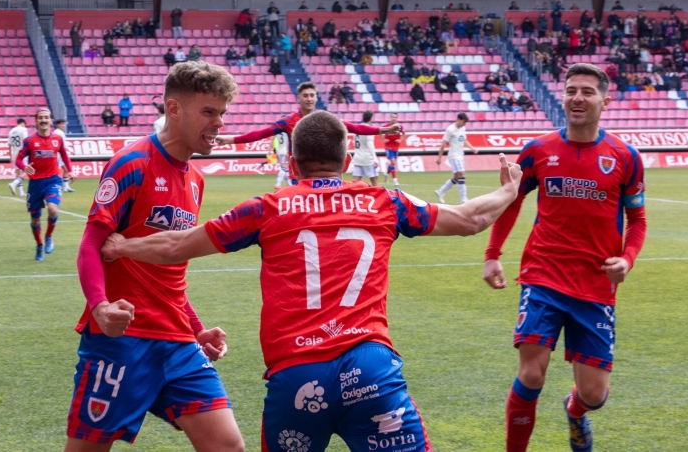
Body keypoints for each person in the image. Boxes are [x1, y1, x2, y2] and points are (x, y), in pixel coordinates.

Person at [100, 110, 523, 452]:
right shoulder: (383, 201)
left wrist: (121, 247)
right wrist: (509, 191)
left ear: (290, 163)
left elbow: (176, 247)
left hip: (297, 376)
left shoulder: (267, 207)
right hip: (371, 371)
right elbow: (471, 219)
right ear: (345, 162)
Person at [65, 61, 245, 452]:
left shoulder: (195, 179)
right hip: (121, 339)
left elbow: (169, 267)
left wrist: (196, 328)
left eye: (223, 113)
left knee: (227, 445)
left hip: (178, 340)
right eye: (209, 112)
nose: (219, 123)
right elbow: (89, 247)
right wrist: (100, 308)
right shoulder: (132, 163)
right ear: (174, 109)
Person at [482, 63, 647, 452]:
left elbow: (637, 218)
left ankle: (575, 411)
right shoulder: (538, 150)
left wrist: (627, 259)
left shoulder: (626, 157)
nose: (577, 98)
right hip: (543, 276)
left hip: (595, 285)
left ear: (604, 101)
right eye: (571, 90)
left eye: (587, 92)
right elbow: (511, 202)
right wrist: (492, 254)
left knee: (594, 395)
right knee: (531, 374)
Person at [215, 82, 402, 191]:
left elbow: (353, 127)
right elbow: (261, 133)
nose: (310, 98)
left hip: (322, 173)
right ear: (299, 98)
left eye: (312, 95)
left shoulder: (324, 119)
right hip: (297, 173)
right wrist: (231, 140)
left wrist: (383, 130)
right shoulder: (288, 121)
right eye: (306, 95)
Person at [15, 108, 75, 260]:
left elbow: (64, 154)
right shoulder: (29, 141)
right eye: (40, 117)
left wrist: (70, 170)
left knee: (53, 209)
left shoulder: (57, 139)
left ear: (50, 120)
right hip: (35, 184)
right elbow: (18, 160)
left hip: (53, 180)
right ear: (36, 121)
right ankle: (40, 245)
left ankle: (49, 236)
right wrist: (24, 167)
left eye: (46, 117)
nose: (43, 120)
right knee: (35, 219)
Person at [434, 112, 478, 204]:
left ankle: (440, 192)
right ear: (459, 119)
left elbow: (464, 140)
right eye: (464, 122)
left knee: (457, 177)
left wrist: (472, 148)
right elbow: (443, 144)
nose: (464, 124)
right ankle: (463, 199)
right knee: (462, 174)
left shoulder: (463, 128)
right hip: (454, 156)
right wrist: (439, 158)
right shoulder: (450, 130)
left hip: (460, 155)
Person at [351, 110, 380, 185]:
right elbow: (370, 143)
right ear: (371, 118)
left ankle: (351, 195)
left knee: (354, 182)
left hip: (357, 158)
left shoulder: (357, 128)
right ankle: (376, 196)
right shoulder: (369, 129)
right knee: (375, 181)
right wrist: (375, 158)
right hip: (367, 158)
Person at [382, 112, 406, 185]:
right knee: (393, 162)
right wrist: (384, 139)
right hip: (388, 146)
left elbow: (404, 134)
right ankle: (395, 180)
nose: (394, 118)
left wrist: (400, 140)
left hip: (396, 147)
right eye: (392, 117)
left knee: (392, 163)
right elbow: (380, 132)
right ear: (390, 117)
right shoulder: (386, 126)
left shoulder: (399, 126)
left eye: (395, 117)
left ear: (397, 118)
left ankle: (386, 173)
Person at [7, 118, 28, 197]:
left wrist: (10, 156)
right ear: (23, 123)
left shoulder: (11, 131)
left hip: (14, 154)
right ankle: (14, 184)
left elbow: (9, 145)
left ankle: (21, 191)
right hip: (22, 154)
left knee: (18, 173)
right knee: (26, 171)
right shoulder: (23, 129)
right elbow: (26, 141)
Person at [53, 119, 74, 193]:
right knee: (65, 170)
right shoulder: (60, 133)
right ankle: (63, 186)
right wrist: (70, 151)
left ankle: (65, 186)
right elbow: (62, 145)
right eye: (62, 124)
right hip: (60, 154)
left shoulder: (55, 132)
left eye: (64, 124)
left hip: (57, 154)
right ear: (58, 124)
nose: (63, 125)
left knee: (65, 170)